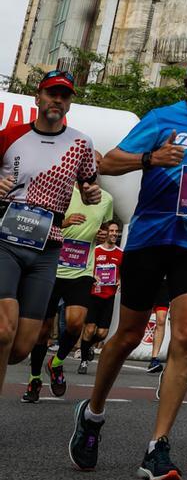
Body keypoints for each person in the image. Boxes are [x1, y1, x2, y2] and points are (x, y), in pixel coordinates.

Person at [68, 53, 187, 480]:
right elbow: (106, 163)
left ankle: (157, 446)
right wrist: (151, 159)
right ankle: (94, 413)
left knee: (186, 334)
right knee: (126, 334)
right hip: (150, 238)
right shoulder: (161, 118)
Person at [0, 70, 102, 399]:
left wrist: (90, 194)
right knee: (3, 330)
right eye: (51, 93)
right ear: (38, 97)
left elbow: (90, 183)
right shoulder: (10, 135)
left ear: (70, 103)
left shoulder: (81, 143)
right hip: (6, 240)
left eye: (64, 95)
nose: (57, 100)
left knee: (20, 347)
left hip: (48, 249)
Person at [23, 174, 114, 401]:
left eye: (97, 166)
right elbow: (36, 221)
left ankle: (57, 363)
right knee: (43, 330)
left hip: (82, 270)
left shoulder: (107, 199)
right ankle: (34, 379)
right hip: (51, 266)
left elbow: (102, 227)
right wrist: (63, 222)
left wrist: (101, 234)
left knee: (75, 323)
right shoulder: (60, 191)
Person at [79, 219, 124, 372]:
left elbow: (123, 274)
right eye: (111, 231)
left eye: (116, 231)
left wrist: (119, 281)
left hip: (109, 297)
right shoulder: (96, 250)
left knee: (102, 333)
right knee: (90, 329)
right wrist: (93, 278)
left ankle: (88, 346)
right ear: (105, 232)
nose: (114, 234)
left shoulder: (120, 253)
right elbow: (87, 269)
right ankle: (84, 361)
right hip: (94, 295)